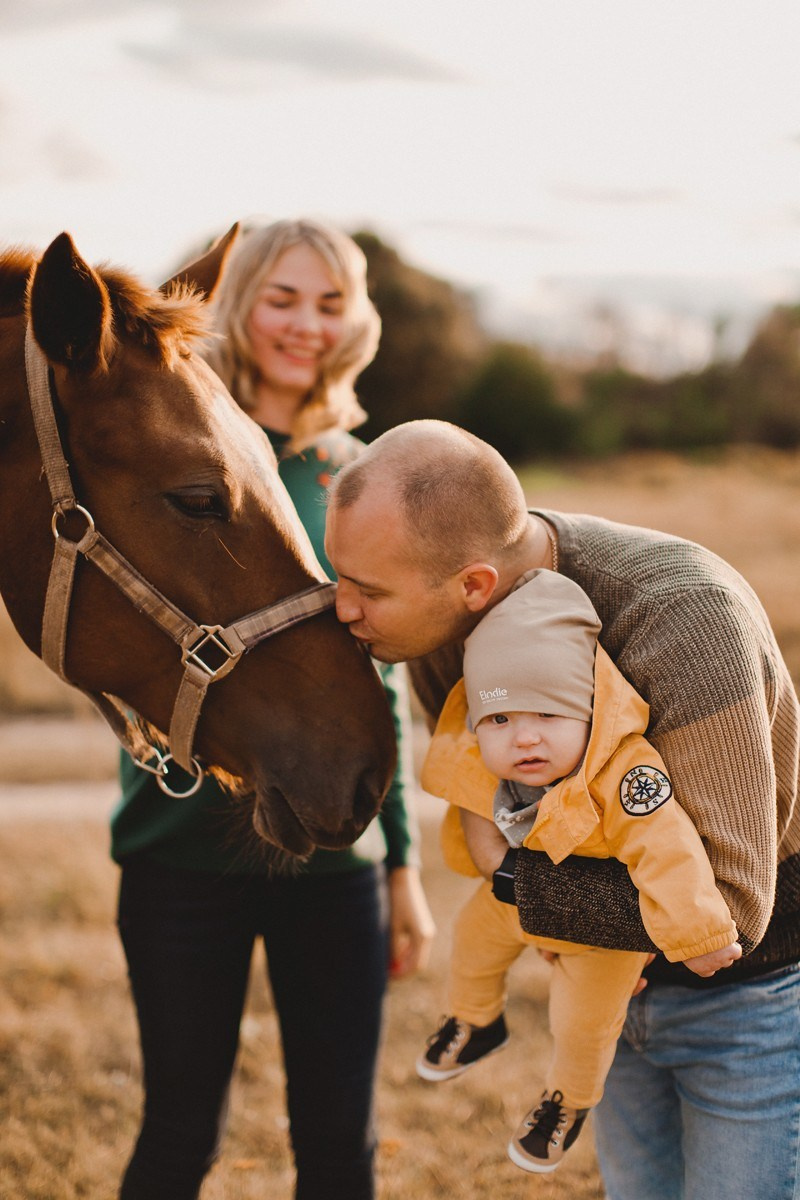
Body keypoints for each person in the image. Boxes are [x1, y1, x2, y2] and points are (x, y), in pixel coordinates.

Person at [324, 419, 800, 1200]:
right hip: (603, 998)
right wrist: (557, 911)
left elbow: (729, 914)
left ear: (475, 583)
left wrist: (526, 899)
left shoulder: (683, 617)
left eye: (367, 591)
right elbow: (482, 803)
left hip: (750, 1003)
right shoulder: (446, 626)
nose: (341, 609)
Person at [112, 220, 435, 1200]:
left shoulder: (364, 473)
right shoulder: (176, 454)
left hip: (335, 861)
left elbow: (373, 678)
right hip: (178, 852)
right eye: (283, 298)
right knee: (178, 1137)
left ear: (355, 320)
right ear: (239, 304)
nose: (306, 324)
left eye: (329, 302)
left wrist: (401, 868)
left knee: (339, 1146)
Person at [415, 567, 739, 1172]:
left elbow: (666, 850)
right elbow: (465, 796)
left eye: (548, 715)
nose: (525, 739)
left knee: (581, 1023)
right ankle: (476, 1020)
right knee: (471, 939)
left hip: (601, 932)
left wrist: (700, 934)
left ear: (589, 713)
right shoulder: (484, 756)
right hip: (523, 897)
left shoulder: (623, 774)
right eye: (501, 719)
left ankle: (568, 1100)